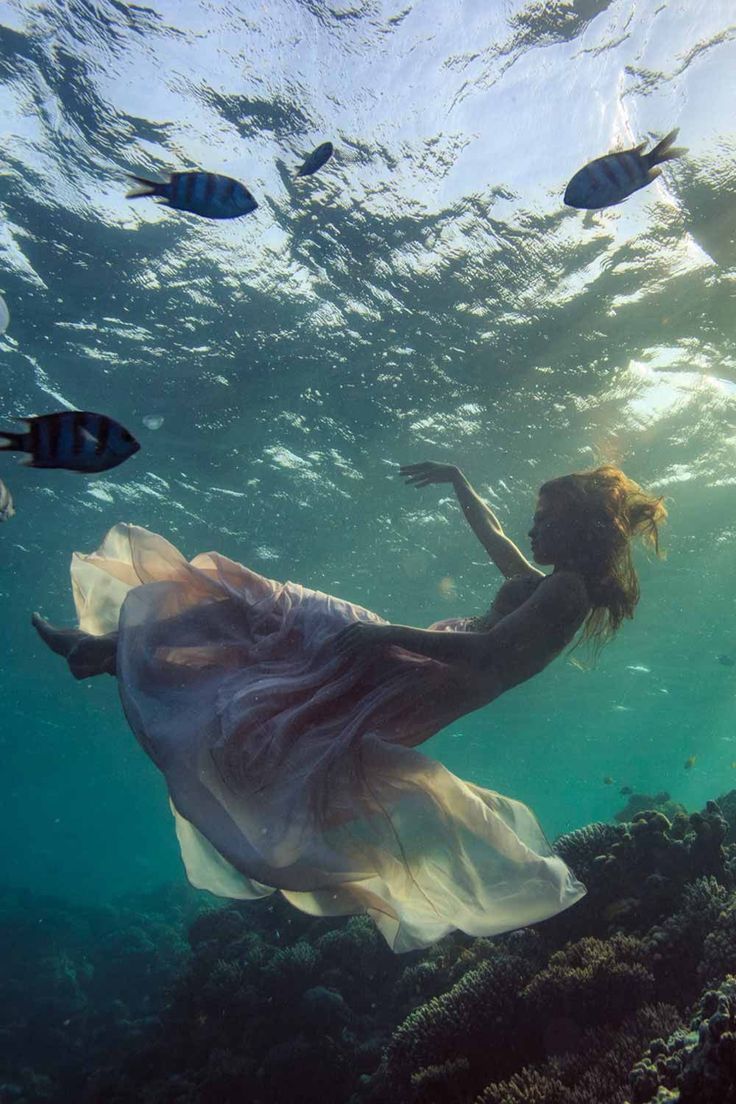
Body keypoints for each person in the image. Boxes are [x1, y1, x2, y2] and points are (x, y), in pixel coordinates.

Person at [32, 462, 665, 952]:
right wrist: (458, 482)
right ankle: (109, 648)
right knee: (273, 620)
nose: (533, 528)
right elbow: (495, 535)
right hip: (416, 664)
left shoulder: (569, 591)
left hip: (423, 677)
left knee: (275, 624)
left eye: (547, 518)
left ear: (580, 527)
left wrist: (385, 636)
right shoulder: (551, 582)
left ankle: (112, 651)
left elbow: (491, 654)